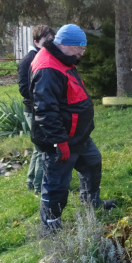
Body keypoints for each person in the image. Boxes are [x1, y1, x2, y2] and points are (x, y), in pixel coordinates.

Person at [30, 24, 116, 235]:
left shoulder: (63, 59)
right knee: (57, 184)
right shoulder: (48, 68)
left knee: (93, 164)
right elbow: (46, 110)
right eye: (79, 48)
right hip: (60, 140)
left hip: (78, 136)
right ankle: (50, 226)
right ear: (65, 44)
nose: (81, 53)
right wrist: (60, 142)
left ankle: (91, 201)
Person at [17, 24, 55, 195]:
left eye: (51, 40)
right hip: (34, 110)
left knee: (38, 149)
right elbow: (24, 89)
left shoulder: (39, 56)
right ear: (36, 41)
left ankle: (31, 182)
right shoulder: (29, 60)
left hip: (36, 109)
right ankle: (39, 188)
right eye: (46, 41)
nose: (50, 44)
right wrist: (42, 100)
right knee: (43, 149)